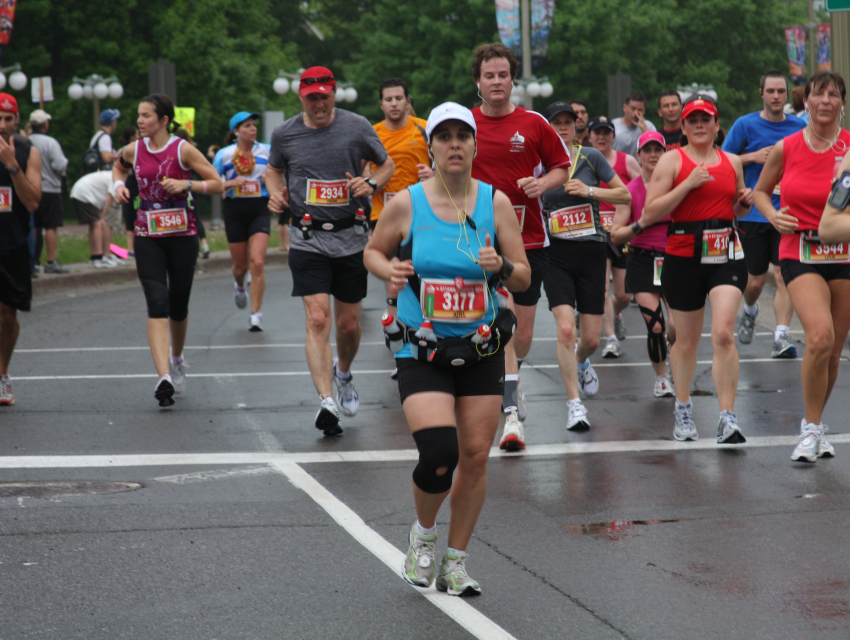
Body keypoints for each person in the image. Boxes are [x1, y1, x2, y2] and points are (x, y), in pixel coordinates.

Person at [363, 102, 530, 596]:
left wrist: (499, 265)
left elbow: (523, 275)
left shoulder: (494, 203)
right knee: (439, 453)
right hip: (421, 346)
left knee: (475, 457)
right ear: (431, 146)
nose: (455, 144)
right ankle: (424, 535)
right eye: (445, 136)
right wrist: (386, 269)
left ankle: (455, 561)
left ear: (475, 145)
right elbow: (374, 249)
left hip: (479, 347)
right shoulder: (407, 203)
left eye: (464, 136)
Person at [266, 66, 395, 436]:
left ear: (333, 94)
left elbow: (387, 164)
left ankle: (343, 373)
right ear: (301, 98)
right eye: (312, 98)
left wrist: (370, 182)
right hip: (306, 237)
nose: (319, 103)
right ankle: (326, 402)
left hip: (350, 237)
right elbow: (273, 171)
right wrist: (276, 191)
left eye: (324, 96)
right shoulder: (284, 133)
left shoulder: (356, 126)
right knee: (318, 319)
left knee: (348, 325)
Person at [470, 42, 571, 450]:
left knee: (523, 333)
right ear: (478, 81)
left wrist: (541, 184)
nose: (497, 82)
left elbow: (561, 168)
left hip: (529, 241)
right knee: (503, 325)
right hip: (478, 242)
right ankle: (510, 412)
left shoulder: (533, 123)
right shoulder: (466, 123)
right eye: (489, 75)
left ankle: (513, 376)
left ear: (513, 79)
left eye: (503, 75)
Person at [641, 94, 752, 444]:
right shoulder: (672, 160)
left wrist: (742, 204)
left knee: (722, 333)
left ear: (718, 126)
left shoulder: (731, 161)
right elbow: (650, 213)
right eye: (693, 120)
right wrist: (688, 184)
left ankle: (727, 417)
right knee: (686, 341)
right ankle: (684, 407)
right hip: (683, 256)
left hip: (725, 255)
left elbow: (738, 211)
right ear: (683, 128)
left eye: (707, 120)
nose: (700, 125)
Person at [754, 70, 850, 462]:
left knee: (832, 353)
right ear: (806, 100)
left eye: (833, 95)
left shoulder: (849, 148)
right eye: (818, 94)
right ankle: (809, 429)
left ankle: (817, 424)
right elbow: (760, 192)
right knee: (820, 336)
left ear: (842, 103)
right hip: (800, 250)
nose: (825, 100)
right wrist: (772, 216)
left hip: (843, 253)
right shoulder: (787, 146)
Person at [113, 93, 223, 407]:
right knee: (157, 301)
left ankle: (176, 358)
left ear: (163, 120)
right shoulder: (134, 149)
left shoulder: (182, 149)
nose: (139, 121)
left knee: (178, 303)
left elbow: (216, 182)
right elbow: (119, 169)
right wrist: (118, 186)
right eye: (138, 115)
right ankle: (163, 376)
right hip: (147, 234)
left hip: (182, 234)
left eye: (146, 116)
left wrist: (188, 185)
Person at [541, 103, 631, 430]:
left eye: (569, 122)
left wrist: (590, 191)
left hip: (592, 252)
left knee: (590, 339)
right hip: (556, 256)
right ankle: (574, 404)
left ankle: (582, 363)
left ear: (577, 126)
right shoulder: (539, 164)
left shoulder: (590, 157)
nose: (563, 127)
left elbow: (625, 195)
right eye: (556, 122)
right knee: (566, 329)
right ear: (546, 126)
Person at [722, 71, 806, 358]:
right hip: (754, 215)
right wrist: (752, 157)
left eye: (781, 91)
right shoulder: (745, 125)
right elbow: (723, 159)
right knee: (755, 282)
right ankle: (750, 309)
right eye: (770, 91)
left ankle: (781, 336)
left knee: (784, 276)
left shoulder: (798, 126)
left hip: (788, 213)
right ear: (761, 93)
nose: (776, 96)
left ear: (787, 94)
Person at [610, 131, 676, 397]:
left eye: (657, 150)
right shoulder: (630, 191)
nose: (652, 156)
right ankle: (661, 379)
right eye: (647, 151)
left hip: (675, 260)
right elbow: (615, 234)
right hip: (642, 260)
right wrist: (640, 224)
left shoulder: (676, 186)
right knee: (656, 325)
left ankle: (675, 359)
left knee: (677, 328)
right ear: (638, 155)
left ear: (665, 154)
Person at [369, 79, 433, 308]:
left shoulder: (425, 128)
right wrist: (371, 178)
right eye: (388, 100)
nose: (394, 104)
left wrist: (434, 174)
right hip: (383, 214)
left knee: (420, 273)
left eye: (398, 99)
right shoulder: (372, 133)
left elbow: (448, 165)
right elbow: (362, 172)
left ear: (407, 102)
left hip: (421, 214)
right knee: (394, 276)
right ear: (381, 104)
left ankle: (421, 325)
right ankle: (395, 331)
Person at [0, 93, 42, 406]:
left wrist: (12, 166)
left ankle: (2, 375)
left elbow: (32, 202)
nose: (2, 125)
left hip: (12, 242)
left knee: (6, 316)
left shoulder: (29, 152)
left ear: (16, 120)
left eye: (8, 119)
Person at [213, 112, 272, 331]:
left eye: (254, 125)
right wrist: (228, 184)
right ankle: (239, 285)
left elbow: (280, 174)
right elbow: (211, 182)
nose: (253, 129)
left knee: (257, 262)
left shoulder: (266, 150)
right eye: (247, 126)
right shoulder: (224, 154)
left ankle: (255, 314)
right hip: (235, 209)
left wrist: (270, 179)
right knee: (240, 267)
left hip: (260, 208)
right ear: (236, 131)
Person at [588, 116, 641, 358]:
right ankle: (610, 338)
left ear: (613, 136)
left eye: (606, 133)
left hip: (621, 232)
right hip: (596, 232)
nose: (601, 137)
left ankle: (617, 314)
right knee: (601, 288)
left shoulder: (626, 161)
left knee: (623, 294)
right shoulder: (584, 162)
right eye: (597, 133)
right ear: (589, 136)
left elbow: (643, 187)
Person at [28, 108, 69, 274]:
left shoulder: (26, 140)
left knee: (34, 226)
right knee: (51, 226)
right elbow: (59, 165)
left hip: (30, 188)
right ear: (45, 125)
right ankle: (50, 261)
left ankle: (33, 260)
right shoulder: (50, 142)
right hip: (50, 188)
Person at [70, 170, 121, 267]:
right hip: (84, 194)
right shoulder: (114, 178)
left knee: (93, 225)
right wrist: (102, 217)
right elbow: (109, 198)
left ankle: (94, 256)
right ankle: (99, 257)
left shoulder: (108, 174)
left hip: (77, 192)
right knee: (97, 224)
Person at [117, 125, 141, 256]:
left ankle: (133, 247)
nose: (139, 137)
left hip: (133, 184)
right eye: (137, 134)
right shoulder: (130, 150)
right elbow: (118, 165)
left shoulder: (123, 149)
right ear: (132, 137)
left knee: (133, 214)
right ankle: (131, 248)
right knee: (133, 214)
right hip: (132, 185)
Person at [612, 91, 657, 157]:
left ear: (644, 111)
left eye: (640, 110)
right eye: (633, 109)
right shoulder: (613, 126)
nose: (636, 113)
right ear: (625, 108)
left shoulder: (649, 126)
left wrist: (646, 132)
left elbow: (657, 151)